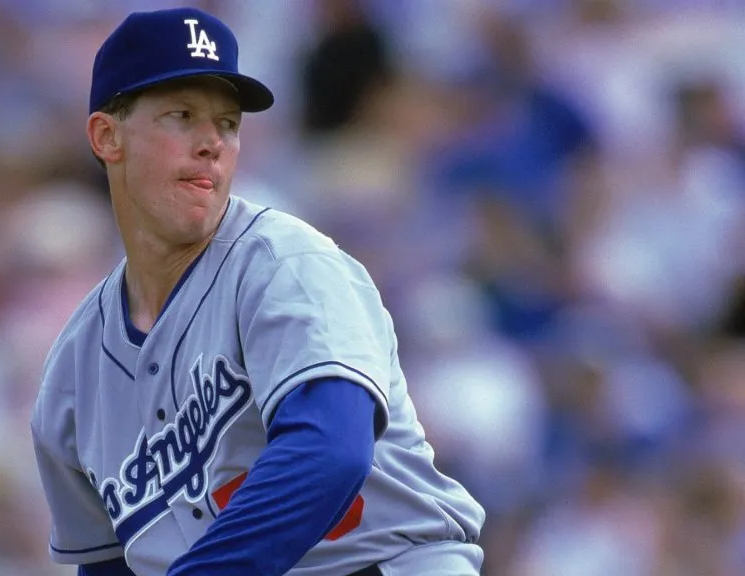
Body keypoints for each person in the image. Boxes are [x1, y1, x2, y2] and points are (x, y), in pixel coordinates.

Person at [30, 7, 485, 575]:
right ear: (106, 136)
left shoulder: (285, 264)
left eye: (227, 123)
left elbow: (330, 450)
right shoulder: (73, 377)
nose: (211, 143)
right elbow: (107, 567)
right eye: (182, 115)